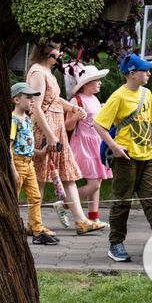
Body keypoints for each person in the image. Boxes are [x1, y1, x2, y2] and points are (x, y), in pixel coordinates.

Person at [95, 53, 152, 263]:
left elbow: (149, 126)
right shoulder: (118, 96)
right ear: (132, 73)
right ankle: (116, 244)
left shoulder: (147, 94)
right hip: (126, 157)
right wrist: (115, 147)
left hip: (147, 157)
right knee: (122, 201)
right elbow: (99, 124)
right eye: (144, 70)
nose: (148, 73)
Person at [25, 41, 105, 235]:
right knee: (41, 176)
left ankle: (81, 220)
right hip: (45, 130)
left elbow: (54, 99)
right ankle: (34, 223)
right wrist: (50, 135)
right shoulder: (37, 72)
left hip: (57, 128)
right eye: (57, 50)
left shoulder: (47, 72)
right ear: (46, 51)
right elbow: (36, 106)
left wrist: (71, 108)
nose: (60, 54)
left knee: (68, 174)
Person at [9, 81, 56, 245]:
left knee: (35, 196)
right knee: (13, 196)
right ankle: (11, 230)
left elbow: (25, 144)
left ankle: (37, 230)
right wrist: (13, 169)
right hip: (18, 163)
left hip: (29, 163)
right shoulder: (14, 120)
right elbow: (10, 146)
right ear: (16, 100)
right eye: (28, 98)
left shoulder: (27, 119)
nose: (31, 101)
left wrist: (39, 152)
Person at [67, 64, 114, 224]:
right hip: (83, 145)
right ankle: (66, 203)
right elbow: (67, 125)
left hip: (96, 143)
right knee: (93, 183)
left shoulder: (94, 99)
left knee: (98, 181)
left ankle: (94, 217)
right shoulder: (77, 100)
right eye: (97, 80)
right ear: (86, 83)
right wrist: (75, 118)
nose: (100, 83)